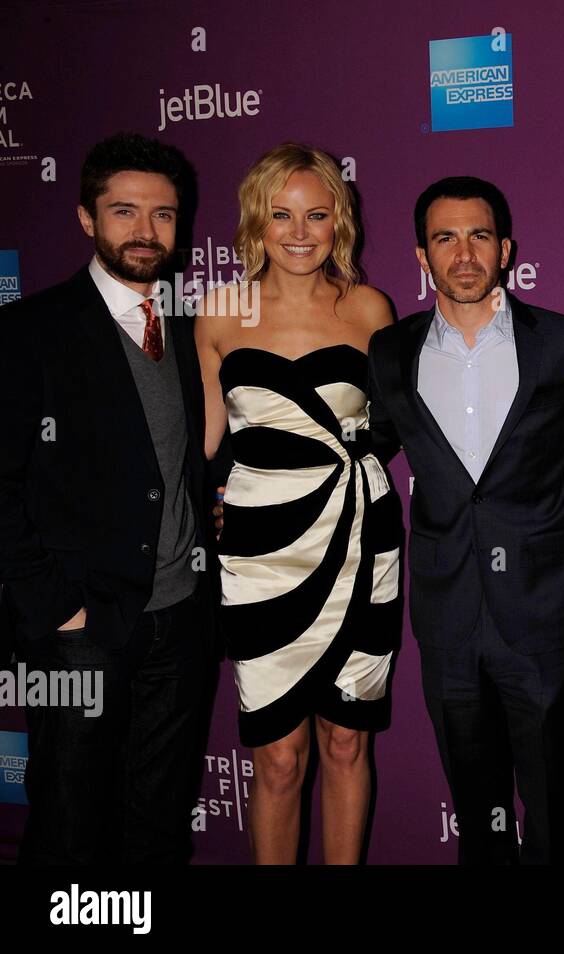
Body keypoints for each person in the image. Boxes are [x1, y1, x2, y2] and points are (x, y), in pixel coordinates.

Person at [0, 133, 216, 863]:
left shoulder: (190, 326)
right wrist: (57, 607)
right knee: (68, 818)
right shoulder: (30, 331)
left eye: (163, 214)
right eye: (125, 211)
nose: (146, 232)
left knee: (156, 822)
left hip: (181, 619)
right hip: (78, 628)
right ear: (87, 219)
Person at [366, 176, 564, 864]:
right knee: (479, 817)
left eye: (479, 235)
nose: (464, 252)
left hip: (547, 618)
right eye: (445, 237)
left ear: (506, 250)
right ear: (421, 255)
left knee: (554, 813)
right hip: (448, 620)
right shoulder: (390, 352)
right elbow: (364, 455)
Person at [195, 143, 400, 864]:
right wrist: (196, 509)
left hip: (360, 539)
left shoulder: (369, 306)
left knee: (347, 741)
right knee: (278, 757)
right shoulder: (221, 312)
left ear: (338, 220)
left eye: (316, 214)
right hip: (261, 554)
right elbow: (201, 444)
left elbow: (400, 423)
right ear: (256, 221)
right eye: (281, 215)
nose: (300, 231)